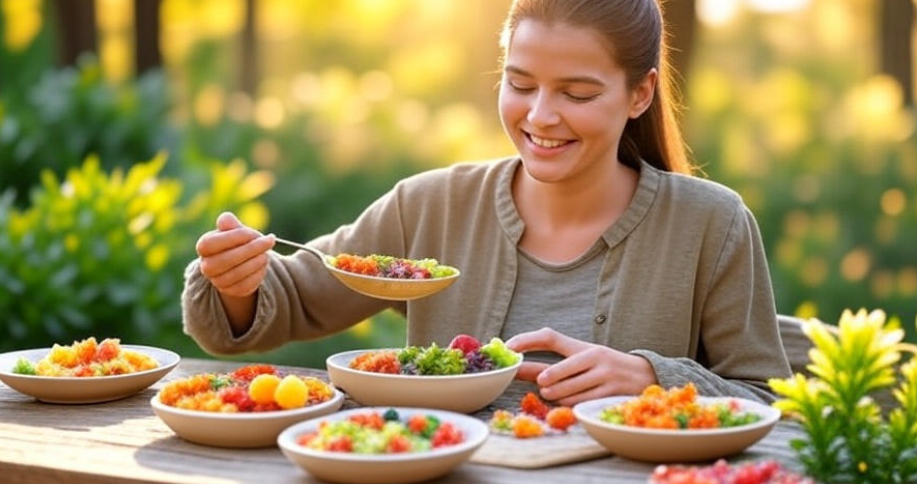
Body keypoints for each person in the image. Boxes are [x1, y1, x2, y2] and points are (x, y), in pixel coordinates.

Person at [183, 0, 792, 405]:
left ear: (639, 94)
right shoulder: (431, 206)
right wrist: (237, 282)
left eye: (577, 93)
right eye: (521, 84)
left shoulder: (710, 224)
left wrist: (656, 379)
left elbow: (772, 402)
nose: (541, 115)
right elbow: (286, 300)